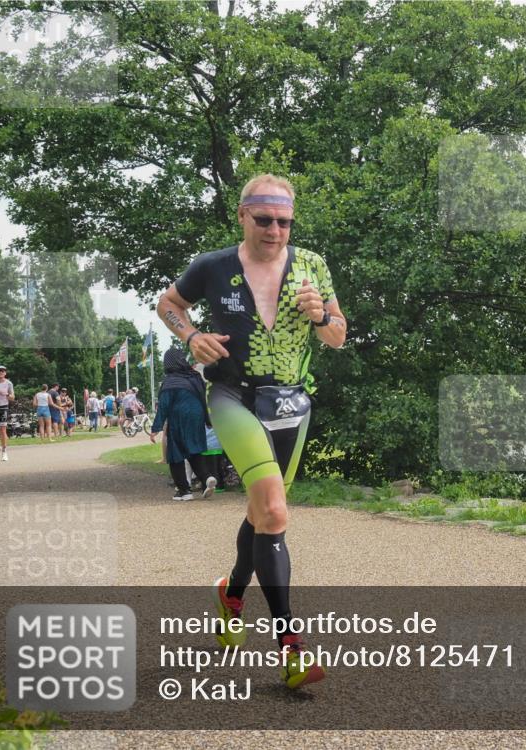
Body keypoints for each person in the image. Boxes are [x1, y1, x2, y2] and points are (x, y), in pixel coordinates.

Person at [156, 174, 346, 688]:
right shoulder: (213, 265)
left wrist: (322, 315)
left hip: (291, 403)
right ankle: (292, 649)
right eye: (264, 220)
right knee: (276, 511)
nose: (274, 231)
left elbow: (338, 335)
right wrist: (191, 335)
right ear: (242, 216)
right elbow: (168, 304)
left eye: (284, 222)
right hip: (233, 397)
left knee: (262, 513)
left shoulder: (312, 265)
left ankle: (231, 594)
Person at [149, 348, 216, 501]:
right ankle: (207, 478)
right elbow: (203, 399)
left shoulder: (170, 381)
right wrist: (208, 420)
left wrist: (155, 428)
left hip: (179, 417)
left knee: (175, 453)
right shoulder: (195, 377)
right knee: (194, 450)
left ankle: (184, 491)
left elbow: (164, 405)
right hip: (197, 415)